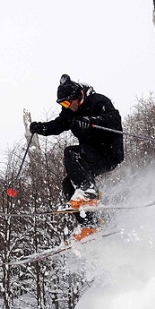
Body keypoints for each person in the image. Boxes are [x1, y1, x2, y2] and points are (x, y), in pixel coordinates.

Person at [29, 74, 124, 241]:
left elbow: (114, 120)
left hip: (108, 153)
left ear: (77, 97)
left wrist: (92, 120)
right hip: (89, 155)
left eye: (67, 102)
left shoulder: (98, 101)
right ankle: (89, 224)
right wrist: (40, 128)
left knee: (71, 152)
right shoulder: (69, 112)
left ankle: (88, 192)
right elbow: (58, 125)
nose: (66, 106)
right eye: (62, 104)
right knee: (68, 184)